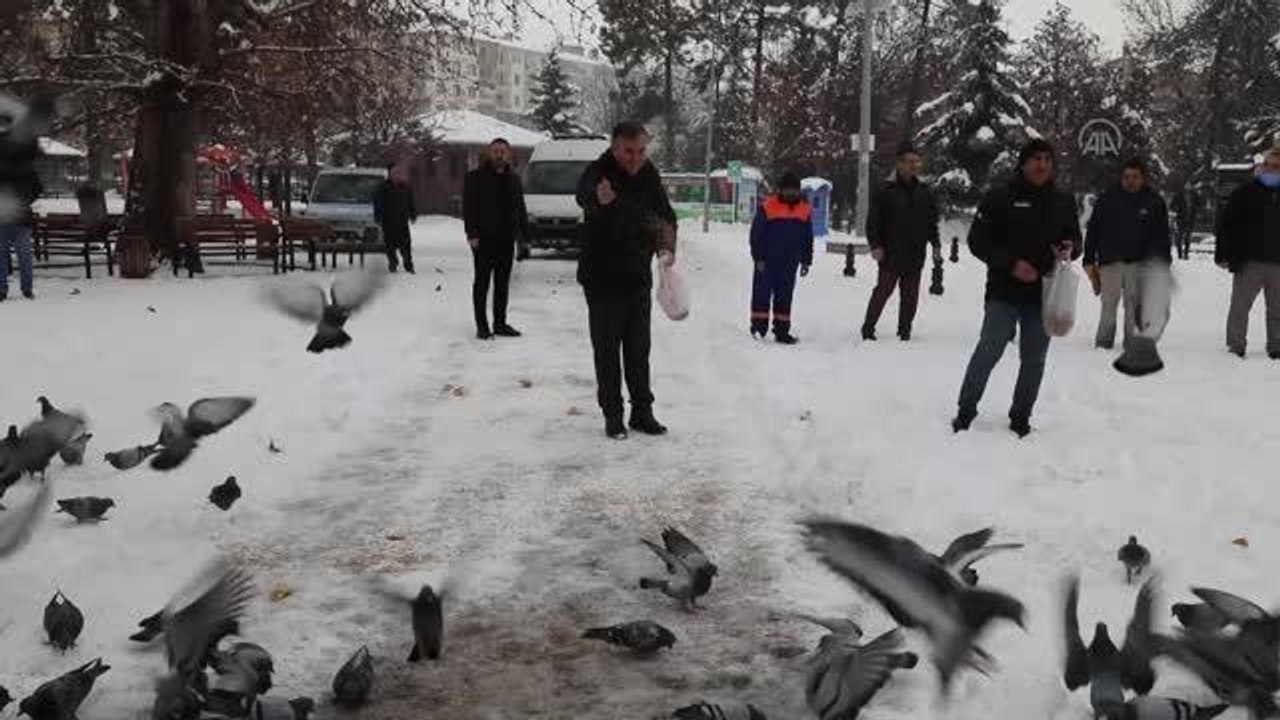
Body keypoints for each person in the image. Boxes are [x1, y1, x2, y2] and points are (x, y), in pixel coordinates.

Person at [953, 139, 1082, 438]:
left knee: (1034, 359)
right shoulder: (1000, 197)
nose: (1042, 165)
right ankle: (966, 410)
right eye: (1036, 159)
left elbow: (1075, 239)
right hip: (1004, 290)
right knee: (989, 349)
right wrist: (1011, 265)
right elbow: (977, 241)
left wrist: (1069, 248)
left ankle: (1021, 416)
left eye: (1047, 159)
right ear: (1023, 163)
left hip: (1044, 294)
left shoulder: (1063, 201)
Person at [576, 122, 677, 440]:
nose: (635, 158)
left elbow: (664, 215)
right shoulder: (599, 171)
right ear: (614, 147)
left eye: (641, 151)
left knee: (638, 349)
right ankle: (613, 415)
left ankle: (642, 412)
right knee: (607, 351)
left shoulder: (649, 175)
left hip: (637, 276)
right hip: (602, 278)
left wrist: (665, 247)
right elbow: (583, 193)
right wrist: (598, 197)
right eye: (628, 151)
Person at [1082, 158, 1172, 350]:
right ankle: (1103, 342)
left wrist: (1163, 264)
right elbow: (1093, 231)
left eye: (1135, 177)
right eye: (1126, 177)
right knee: (1108, 304)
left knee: (1133, 305)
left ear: (1143, 178)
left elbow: (1162, 236)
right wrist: (1088, 258)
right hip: (1110, 260)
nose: (1130, 181)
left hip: (1139, 262)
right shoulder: (1107, 199)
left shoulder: (1154, 202)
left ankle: (1131, 341)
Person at [862, 143, 941, 341]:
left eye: (917, 162)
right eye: (909, 162)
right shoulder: (885, 189)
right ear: (899, 163)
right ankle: (868, 327)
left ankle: (905, 330)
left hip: (916, 252)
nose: (914, 166)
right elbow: (873, 222)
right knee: (883, 290)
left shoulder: (924, 191)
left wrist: (936, 244)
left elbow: (931, 222)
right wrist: (875, 245)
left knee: (910, 295)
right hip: (891, 252)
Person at [1216, 146, 1280, 360]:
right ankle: (1236, 345)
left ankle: (1276, 345)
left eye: (1277, 167)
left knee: (1277, 310)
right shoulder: (1244, 194)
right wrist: (1222, 254)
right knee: (1240, 307)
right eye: (1269, 165)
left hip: (1278, 263)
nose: (1272, 170)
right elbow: (1226, 225)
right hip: (1249, 261)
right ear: (1262, 167)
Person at [463, 138, 529, 339]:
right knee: (482, 283)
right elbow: (469, 208)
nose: (499, 155)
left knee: (502, 284)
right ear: (489, 153)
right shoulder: (475, 178)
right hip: (483, 239)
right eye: (496, 151)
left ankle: (500, 323)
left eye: (502, 151)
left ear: (508, 154)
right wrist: (472, 234)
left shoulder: (514, 179)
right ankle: (482, 326)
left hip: (506, 239)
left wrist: (524, 237)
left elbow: (520, 209)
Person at [749, 171, 814, 344]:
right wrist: (758, 258)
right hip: (767, 261)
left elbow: (808, 237)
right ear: (781, 190)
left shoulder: (804, 209)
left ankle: (782, 330)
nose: (791, 193)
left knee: (785, 296)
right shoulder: (768, 206)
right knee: (762, 294)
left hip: (790, 262)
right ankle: (758, 327)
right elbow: (756, 234)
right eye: (787, 189)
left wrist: (806, 260)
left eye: (794, 190)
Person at [0, 110, 41, 302]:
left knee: (4, 254)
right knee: (23, 255)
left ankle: (4, 289)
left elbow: (37, 188)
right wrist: (25, 200)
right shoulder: (26, 165)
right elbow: (37, 188)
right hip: (19, 215)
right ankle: (26, 288)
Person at [372, 161, 417, 274]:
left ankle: (408, 265)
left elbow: (410, 202)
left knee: (406, 244)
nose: (397, 174)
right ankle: (393, 263)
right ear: (389, 173)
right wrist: (378, 217)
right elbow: (378, 203)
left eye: (398, 172)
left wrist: (413, 214)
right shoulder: (383, 187)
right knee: (390, 245)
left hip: (402, 220)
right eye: (394, 172)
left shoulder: (405, 187)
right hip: (388, 220)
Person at [1171, 188, 1196, 260]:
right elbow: (1172, 206)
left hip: (1190, 219)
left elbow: (1198, 205)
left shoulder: (1194, 196)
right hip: (1181, 219)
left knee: (1188, 237)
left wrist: (1195, 212)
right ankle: (1180, 254)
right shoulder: (1178, 196)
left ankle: (1186, 254)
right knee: (1180, 237)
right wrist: (1177, 210)